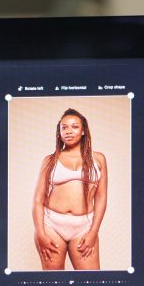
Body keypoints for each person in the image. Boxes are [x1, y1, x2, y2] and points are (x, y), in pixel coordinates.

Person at [33, 109, 109, 270]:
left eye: (74, 127)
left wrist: (93, 232)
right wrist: (40, 232)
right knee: (54, 281)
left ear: (83, 131)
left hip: (84, 226)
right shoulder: (50, 160)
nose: (68, 131)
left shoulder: (98, 159)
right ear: (59, 132)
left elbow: (101, 198)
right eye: (64, 127)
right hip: (51, 225)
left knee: (90, 282)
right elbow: (38, 199)